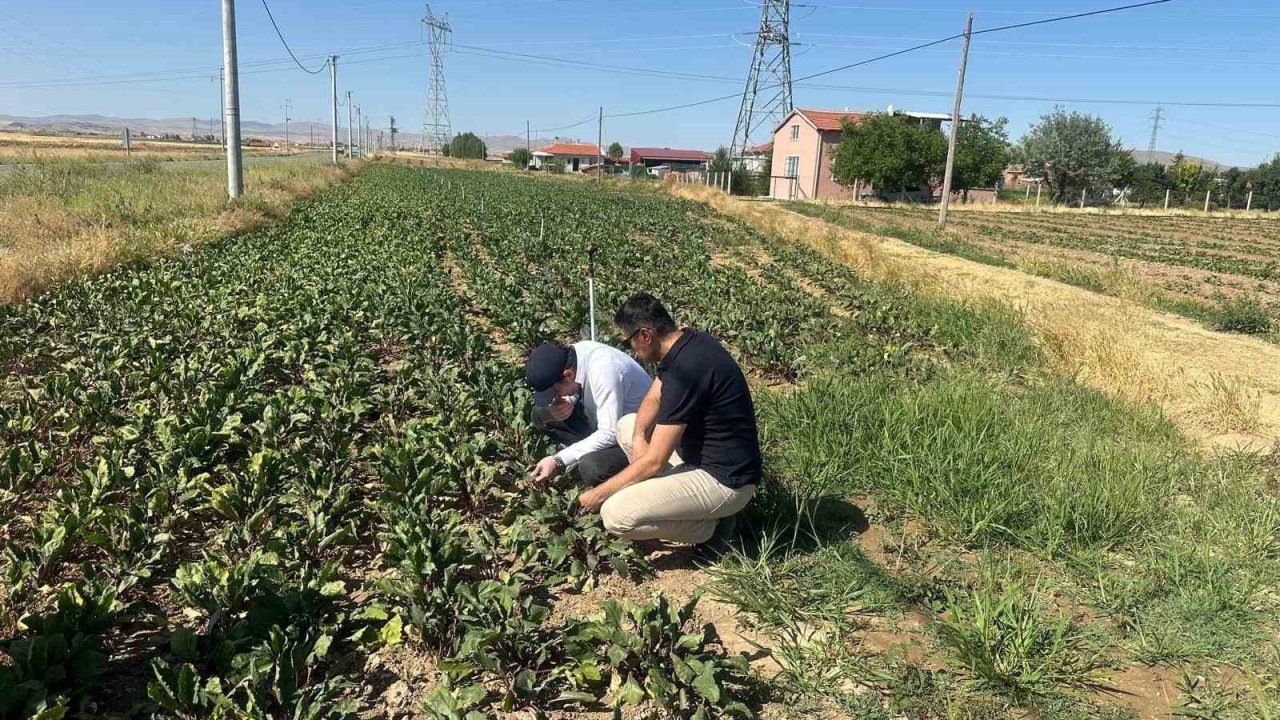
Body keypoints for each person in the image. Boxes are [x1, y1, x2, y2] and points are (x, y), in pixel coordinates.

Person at [578, 293, 760, 547]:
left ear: (645, 335)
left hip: (726, 482)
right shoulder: (685, 343)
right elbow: (652, 399)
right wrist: (640, 436)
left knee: (615, 514)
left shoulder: (686, 373)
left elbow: (655, 462)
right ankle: (679, 503)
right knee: (628, 424)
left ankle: (711, 527)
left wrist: (598, 494)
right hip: (701, 458)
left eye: (629, 341)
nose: (633, 350)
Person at [525, 339, 652, 488]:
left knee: (591, 467)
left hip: (638, 437)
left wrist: (559, 460)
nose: (555, 397)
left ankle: (628, 482)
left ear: (568, 375)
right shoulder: (575, 355)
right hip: (603, 418)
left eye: (556, 391)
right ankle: (582, 452)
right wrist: (568, 401)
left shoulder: (605, 370)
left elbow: (609, 434)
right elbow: (578, 385)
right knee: (541, 415)